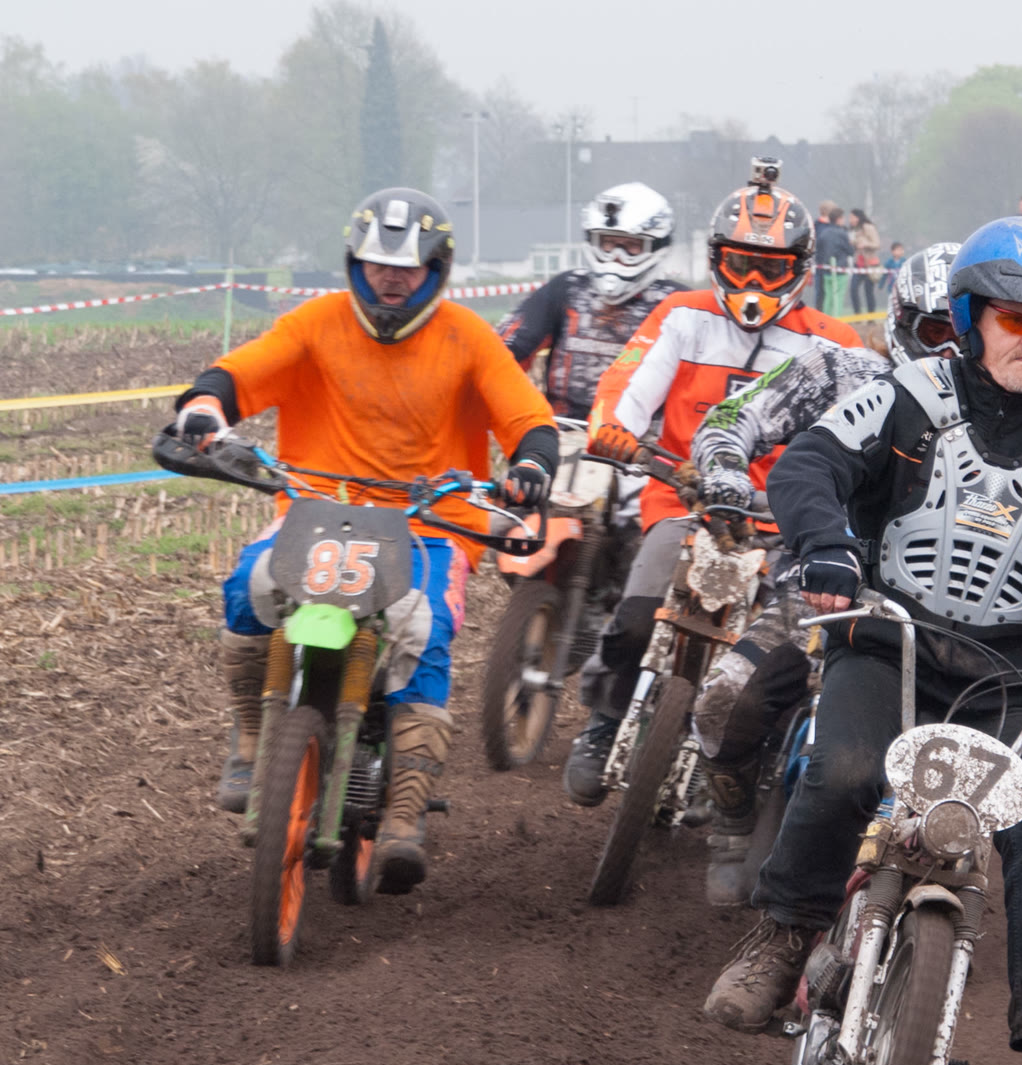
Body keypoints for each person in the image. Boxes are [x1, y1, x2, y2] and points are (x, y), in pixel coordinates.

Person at [703, 215, 1022, 1065]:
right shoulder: (906, 397)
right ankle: (784, 938)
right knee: (844, 770)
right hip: (889, 643)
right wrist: (826, 547)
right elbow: (809, 465)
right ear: (970, 318)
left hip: (1009, 676)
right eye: (1014, 319)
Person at [173, 187, 556, 892]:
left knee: (421, 628)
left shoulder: (468, 337)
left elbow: (527, 418)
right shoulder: (316, 323)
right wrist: (204, 406)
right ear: (355, 263)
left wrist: (531, 466)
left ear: (436, 269)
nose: (391, 279)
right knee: (249, 586)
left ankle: (406, 811)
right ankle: (252, 738)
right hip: (315, 510)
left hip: (430, 526)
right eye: (378, 264)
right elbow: (242, 372)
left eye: (407, 267)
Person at [566, 162, 865, 805]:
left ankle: (742, 765)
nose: (753, 283)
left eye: (771, 269)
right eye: (740, 264)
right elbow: (627, 384)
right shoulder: (681, 315)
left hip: (783, 521)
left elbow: (859, 435)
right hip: (686, 498)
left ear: (801, 269)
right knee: (638, 614)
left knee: (786, 655)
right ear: (715, 260)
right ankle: (605, 721)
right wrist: (613, 429)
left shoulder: (833, 342)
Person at [682, 242, 961, 903]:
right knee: (726, 700)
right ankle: (731, 820)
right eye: (937, 332)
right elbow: (734, 415)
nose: (953, 352)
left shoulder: (1010, 416)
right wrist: (725, 472)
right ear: (903, 323)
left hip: (943, 616)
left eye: (969, 334)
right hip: (816, 589)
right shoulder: (840, 369)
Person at [495, 182, 684, 421]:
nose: (617, 256)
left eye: (632, 246)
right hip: (564, 432)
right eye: (608, 243)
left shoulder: (679, 305)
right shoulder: (568, 289)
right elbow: (502, 354)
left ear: (656, 245)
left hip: (645, 438)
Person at [814, 203, 853, 316]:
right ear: (839, 219)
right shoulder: (842, 233)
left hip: (826, 269)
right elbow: (850, 251)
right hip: (840, 270)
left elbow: (818, 250)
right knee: (838, 296)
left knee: (828, 297)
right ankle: (837, 318)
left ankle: (826, 318)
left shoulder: (823, 233)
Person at [848, 209, 883, 315]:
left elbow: (877, 244)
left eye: (852, 217)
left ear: (858, 218)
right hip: (858, 264)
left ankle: (871, 316)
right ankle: (857, 314)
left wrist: (866, 244)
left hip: (870, 264)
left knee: (869, 291)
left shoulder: (868, 227)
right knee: (853, 288)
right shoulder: (853, 230)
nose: (850, 220)